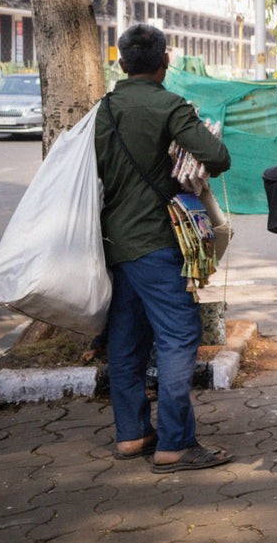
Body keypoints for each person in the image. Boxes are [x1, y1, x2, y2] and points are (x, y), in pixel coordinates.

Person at [95, 23, 233, 472]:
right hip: (157, 241)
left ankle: (132, 434)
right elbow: (217, 157)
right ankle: (175, 443)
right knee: (178, 337)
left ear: (121, 62)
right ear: (165, 61)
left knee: (126, 341)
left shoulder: (103, 110)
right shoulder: (169, 106)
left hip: (115, 245)